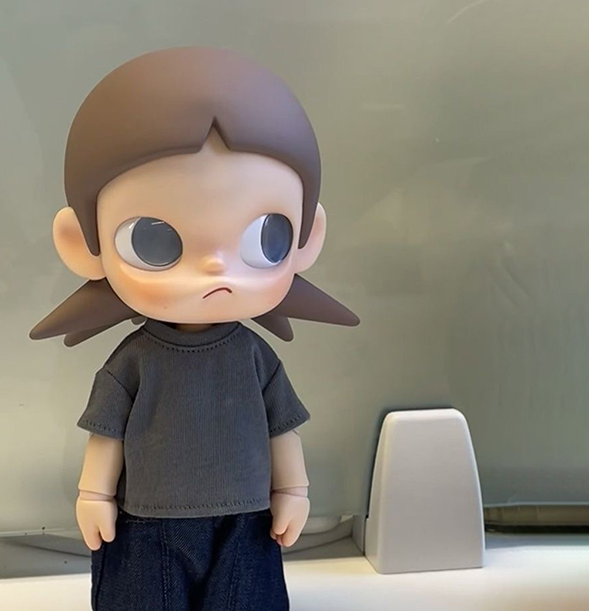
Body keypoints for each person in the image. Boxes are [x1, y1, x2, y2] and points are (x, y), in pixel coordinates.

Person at [30, 47, 358, 611]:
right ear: (84, 245)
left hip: (246, 520)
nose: (215, 269)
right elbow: (107, 435)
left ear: (307, 238)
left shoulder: (255, 358)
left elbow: (282, 430)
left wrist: (293, 490)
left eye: (266, 236)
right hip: (144, 524)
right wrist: (94, 495)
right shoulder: (133, 361)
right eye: (153, 240)